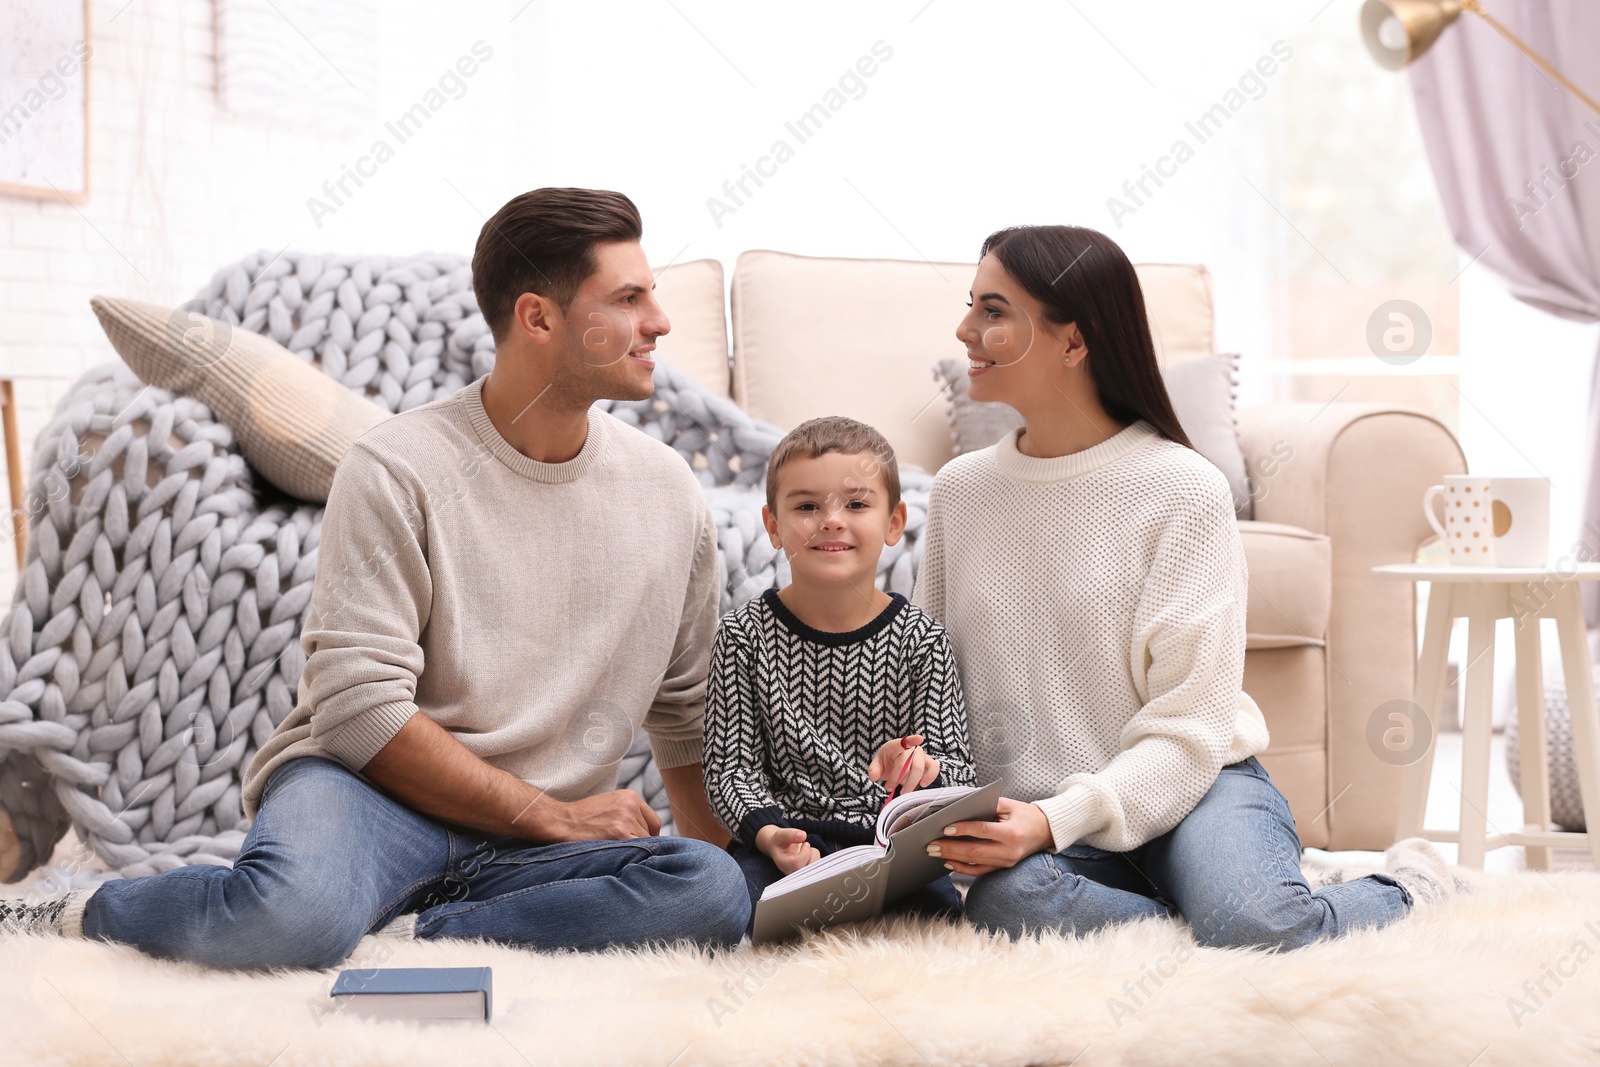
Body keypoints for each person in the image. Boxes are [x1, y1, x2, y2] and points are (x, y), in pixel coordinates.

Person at [0, 188, 750, 967]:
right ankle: (75, 908)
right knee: (283, 917)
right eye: (629, 298)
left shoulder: (667, 491)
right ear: (537, 318)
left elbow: (682, 709)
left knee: (707, 890)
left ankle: (402, 933)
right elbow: (360, 713)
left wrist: (735, 862)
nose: (659, 321)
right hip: (367, 799)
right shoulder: (397, 466)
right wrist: (552, 816)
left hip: (526, 847)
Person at [912, 224, 1467, 950]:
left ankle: (1404, 886)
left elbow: (1190, 728)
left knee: (1253, 921)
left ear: (1073, 342)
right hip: (1050, 820)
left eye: (993, 310)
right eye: (971, 306)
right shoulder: (962, 493)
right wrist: (919, 761)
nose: (964, 329)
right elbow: (930, 680)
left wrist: (1057, 818)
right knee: (1006, 903)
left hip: (1196, 787)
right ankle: (1220, 914)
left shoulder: (1183, 490)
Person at [703, 416, 976, 931]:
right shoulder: (742, 637)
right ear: (774, 525)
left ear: (894, 522)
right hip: (785, 847)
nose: (831, 520)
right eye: (807, 506)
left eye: (856, 504)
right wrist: (770, 837)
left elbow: (958, 771)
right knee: (728, 915)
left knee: (943, 929)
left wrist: (920, 769)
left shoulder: (923, 640)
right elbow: (730, 772)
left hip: (890, 852)